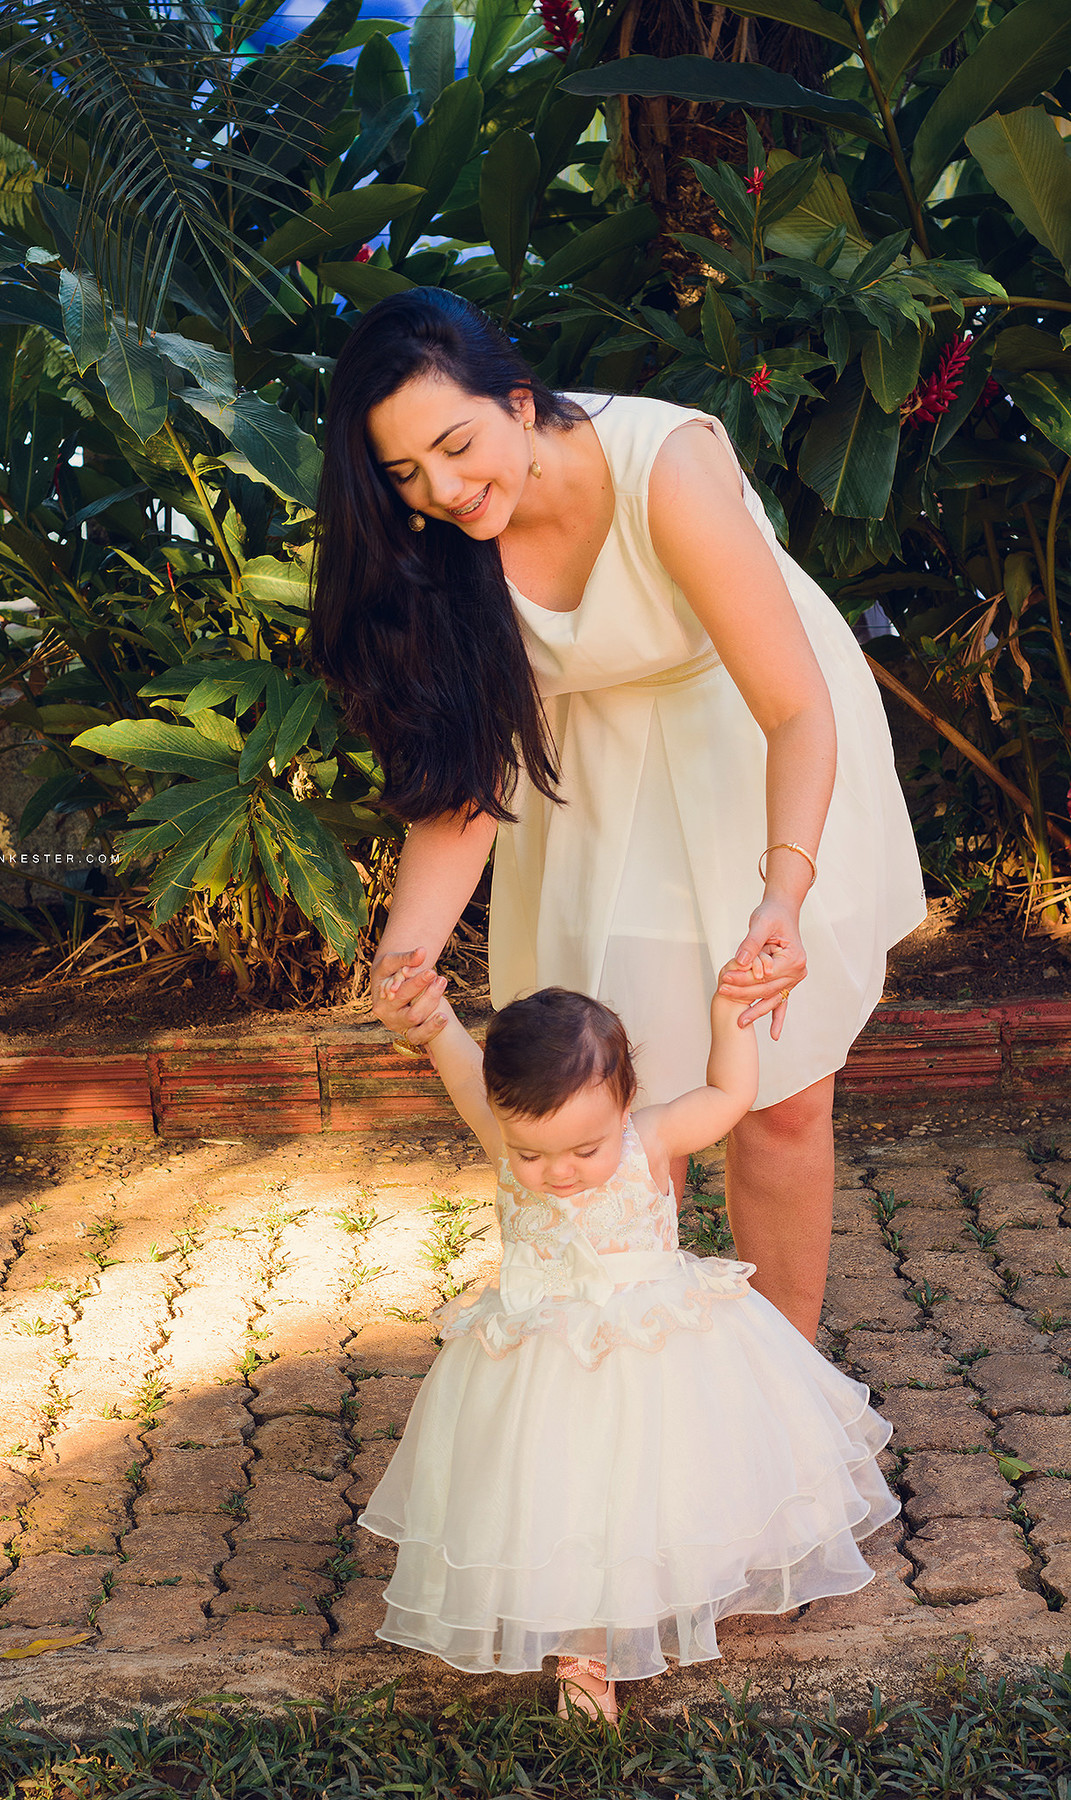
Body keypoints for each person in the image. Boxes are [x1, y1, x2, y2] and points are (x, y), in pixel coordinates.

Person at [311, 289, 925, 1342]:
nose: (445, 490)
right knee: (608, 1105)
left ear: (518, 398)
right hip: (590, 775)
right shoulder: (442, 549)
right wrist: (404, 959)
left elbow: (792, 708)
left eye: (457, 447)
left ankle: (778, 1391)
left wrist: (781, 892)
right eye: (405, 476)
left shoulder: (664, 465)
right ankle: (632, 1384)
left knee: (776, 1099)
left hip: (754, 746)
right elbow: (466, 781)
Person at [359, 970, 897, 1720]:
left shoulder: (652, 1138)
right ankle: (585, 1650)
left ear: (624, 1103)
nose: (558, 1174)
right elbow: (456, 1061)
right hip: (545, 1366)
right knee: (564, 1494)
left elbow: (729, 1098)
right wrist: (434, 1016)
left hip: (652, 1348)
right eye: (532, 1155)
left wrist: (727, 1017)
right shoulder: (503, 1133)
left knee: (664, 1480)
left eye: (583, 1149)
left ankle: (681, 1585)